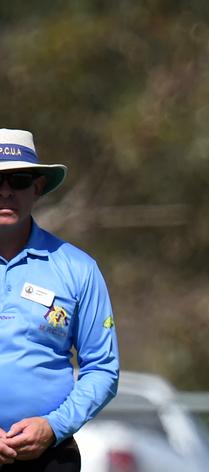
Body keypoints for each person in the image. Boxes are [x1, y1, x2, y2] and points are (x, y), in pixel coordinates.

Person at [0, 129, 119, 471]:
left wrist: (54, 427)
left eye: (19, 179)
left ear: (36, 188)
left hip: (50, 457)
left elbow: (102, 368)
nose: (6, 191)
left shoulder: (77, 268)